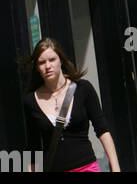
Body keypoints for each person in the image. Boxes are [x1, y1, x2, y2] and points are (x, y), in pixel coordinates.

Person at [23, 38, 120, 173]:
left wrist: (115, 167)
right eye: (42, 62)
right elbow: (33, 145)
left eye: (52, 59)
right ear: (37, 68)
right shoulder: (31, 101)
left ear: (61, 60)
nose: (47, 66)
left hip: (87, 168)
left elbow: (103, 131)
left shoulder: (83, 89)